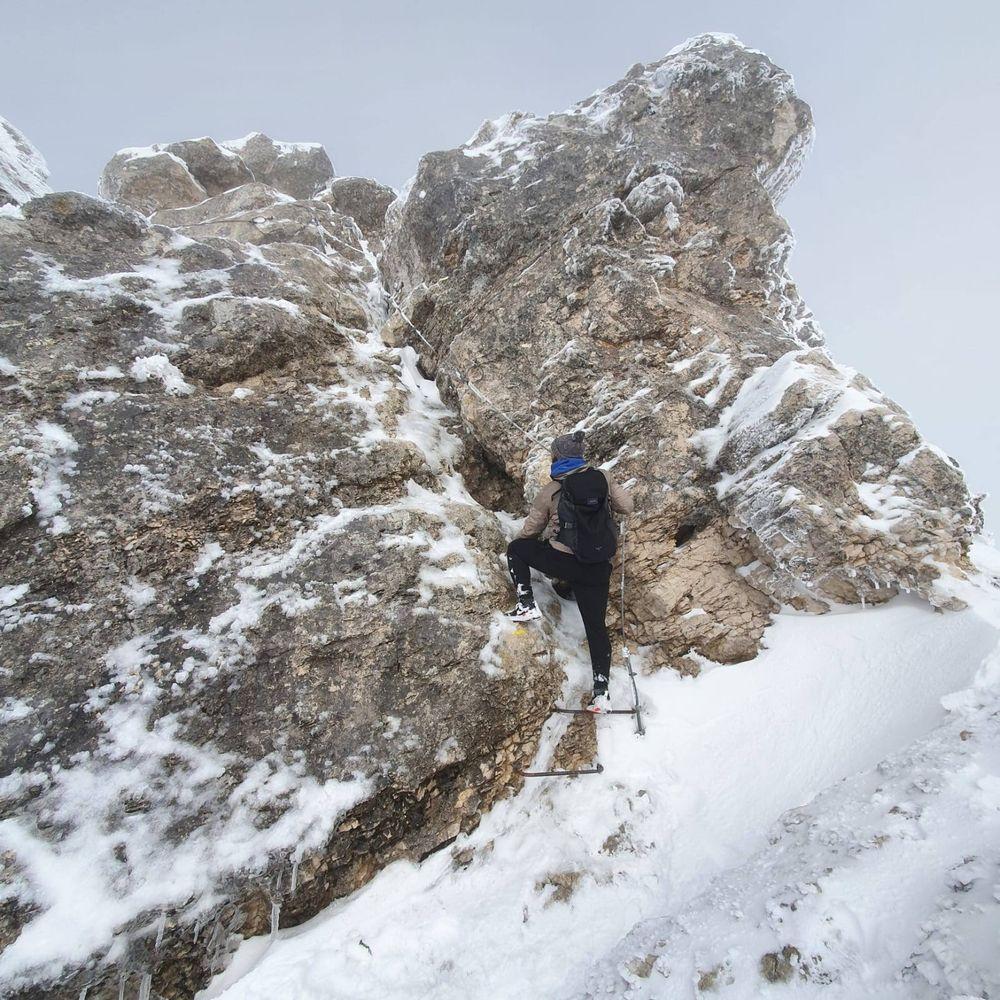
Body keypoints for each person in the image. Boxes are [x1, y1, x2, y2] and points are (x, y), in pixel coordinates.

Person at [505, 430, 633, 709]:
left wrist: (529, 539)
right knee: (596, 628)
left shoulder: (551, 490)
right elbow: (628, 506)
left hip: (566, 564)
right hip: (598, 568)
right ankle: (601, 693)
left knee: (516, 550)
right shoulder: (603, 478)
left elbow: (530, 531)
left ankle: (526, 603)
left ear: (556, 458)